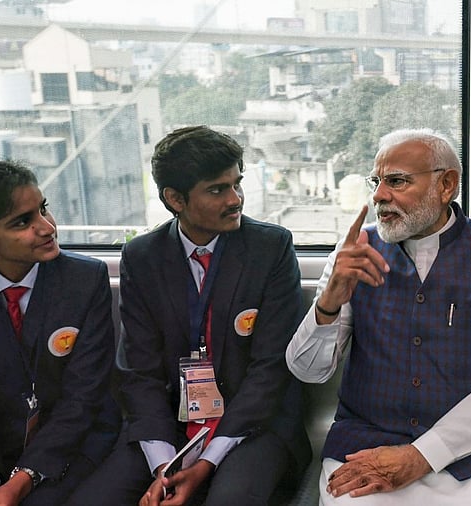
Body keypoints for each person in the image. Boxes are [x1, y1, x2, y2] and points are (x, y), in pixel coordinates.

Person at [286, 128, 471, 505]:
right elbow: (308, 371)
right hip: (365, 445)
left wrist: (424, 454)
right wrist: (329, 301)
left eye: (396, 181)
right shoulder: (355, 253)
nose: (378, 196)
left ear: (446, 185)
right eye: (377, 182)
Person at [72, 126, 311, 506]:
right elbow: (139, 371)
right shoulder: (142, 257)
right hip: (169, 426)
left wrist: (205, 463)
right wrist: (165, 466)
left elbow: (270, 370)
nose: (236, 200)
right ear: (175, 199)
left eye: (238, 184)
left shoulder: (270, 248)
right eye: (218, 189)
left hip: (252, 426)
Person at [0, 161, 120, 506]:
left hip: (73, 443)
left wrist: (23, 479)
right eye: (23, 222)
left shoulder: (84, 281)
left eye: (43, 209)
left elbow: (82, 399)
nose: (46, 227)